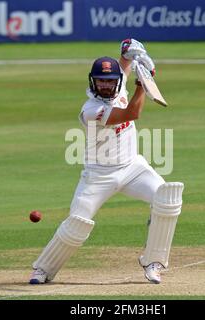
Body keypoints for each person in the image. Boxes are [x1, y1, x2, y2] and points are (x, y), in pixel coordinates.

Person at [30, 39, 184, 285]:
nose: (105, 85)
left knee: (168, 197)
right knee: (77, 223)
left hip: (133, 168)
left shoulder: (119, 84)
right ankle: (43, 269)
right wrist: (143, 84)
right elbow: (133, 113)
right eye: (101, 81)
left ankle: (153, 262)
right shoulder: (91, 110)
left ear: (117, 81)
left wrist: (130, 50)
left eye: (110, 81)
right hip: (98, 175)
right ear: (93, 82)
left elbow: (125, 60)